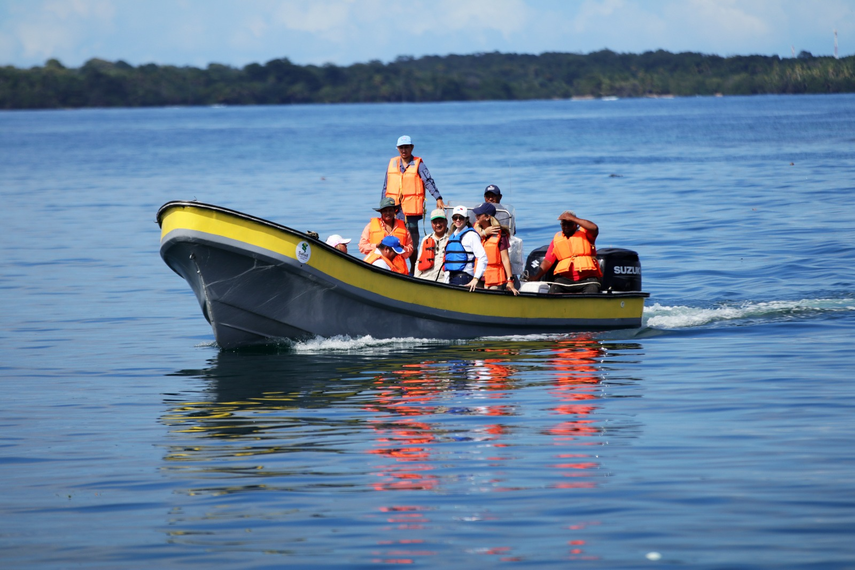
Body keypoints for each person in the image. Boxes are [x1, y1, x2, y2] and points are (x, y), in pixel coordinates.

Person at [382, 135, 446, 272]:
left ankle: (413, 270)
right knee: (393, 240)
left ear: (412, 148)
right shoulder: (392, 163)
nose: (404, 150)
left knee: (412, 243)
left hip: (410, 211)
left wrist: (438, 198)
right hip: (394, 211)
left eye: (406, 147)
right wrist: (383, 206)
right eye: (401, 147)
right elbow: (385, 186)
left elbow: (428, 181)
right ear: (397, 149)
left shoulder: (418, 164)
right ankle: (394, 269)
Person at [530, 211, 603, 293]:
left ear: (576, 224)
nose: (566, 227)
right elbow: (547, 261)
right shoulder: (557, 239)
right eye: (564, 224)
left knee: (591, 292)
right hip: (565, 281)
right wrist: (536, 277)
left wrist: (572, 218)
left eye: (570, 224)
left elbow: (594, 228)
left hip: (588, 280)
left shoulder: (586, 234)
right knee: (553, 291)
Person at [359, 197, 413, 274]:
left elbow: (410, 250)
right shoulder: (370, 226)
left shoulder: (403, 228)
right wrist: (377, 246)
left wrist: (401, 248)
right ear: (381, 212)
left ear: (395, 211)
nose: (388, 213)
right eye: (385, 211)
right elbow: (362, 247)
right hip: (378, 266)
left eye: (390, 210)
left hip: (399, 271)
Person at [473, 202, 518, 295]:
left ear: (487, 217)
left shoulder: (500, 235)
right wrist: (484, 233)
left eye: (479, 214)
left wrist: (510, 281)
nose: (476, 216)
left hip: (494, 279)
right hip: (478, 276)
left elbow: (505, 259)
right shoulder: (474, 232)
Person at [444, 205, 487, 292]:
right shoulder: (452, 236)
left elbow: (483, 257)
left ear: (466, 219)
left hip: (464, 277)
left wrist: (476, 278)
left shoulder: (471, 235)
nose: (458, 220)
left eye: (461, 218)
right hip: (451, 277)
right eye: (455, 217)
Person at [414, 208, 451, 282]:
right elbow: (418, 261)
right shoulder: (426, 239)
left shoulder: (451, 239)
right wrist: (416, 279)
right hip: (425, 278)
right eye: (435, 222)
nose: (438, 225)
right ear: (431, 223)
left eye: (440, 222)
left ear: (446, 222)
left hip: (442, 281)